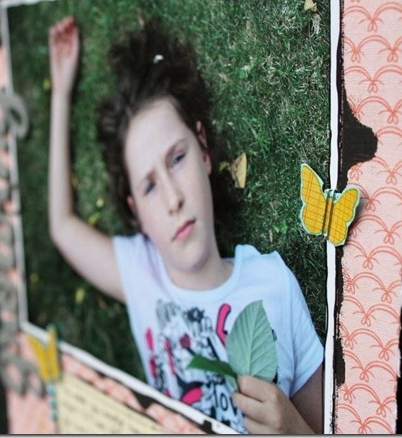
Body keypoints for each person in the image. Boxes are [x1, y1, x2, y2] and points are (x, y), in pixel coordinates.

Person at [47, 16, 324, 434]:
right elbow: (62, 226)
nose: (173, 198)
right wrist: (60, 94)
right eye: (149, 186)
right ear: (137, 214)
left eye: (177, 159)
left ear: (204, 152)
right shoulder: (141, 276)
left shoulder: (274, 285)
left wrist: (295, 431)